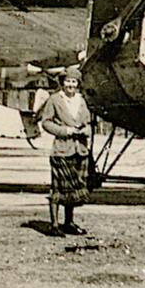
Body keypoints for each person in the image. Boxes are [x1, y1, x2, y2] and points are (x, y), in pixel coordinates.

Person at [38, 66, 93, 236]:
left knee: (74, 191)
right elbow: (46, 122)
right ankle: (54, 225)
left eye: (74, 81)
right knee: (58, 189)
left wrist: (86, 131)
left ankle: (69, 223)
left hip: (80, 150)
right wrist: (66, 131)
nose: (70, 85)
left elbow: (88, 122)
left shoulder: (81, 101)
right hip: (62, 150)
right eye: (68, 81)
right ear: (62, 83)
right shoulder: (55, 100)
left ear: (77, 84)